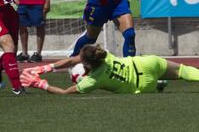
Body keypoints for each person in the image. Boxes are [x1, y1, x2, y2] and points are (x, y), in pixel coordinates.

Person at [20, 44, 199, 94]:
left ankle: (158, 84)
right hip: (147, 63)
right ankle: (161, 82)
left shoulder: (93, 80)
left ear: (87, 66)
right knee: (184, 71)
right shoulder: (104, 54)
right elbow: (71, 60)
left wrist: (40, 83)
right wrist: (44, 67)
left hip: (143, 85)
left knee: (175, 76)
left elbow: (65, 92)